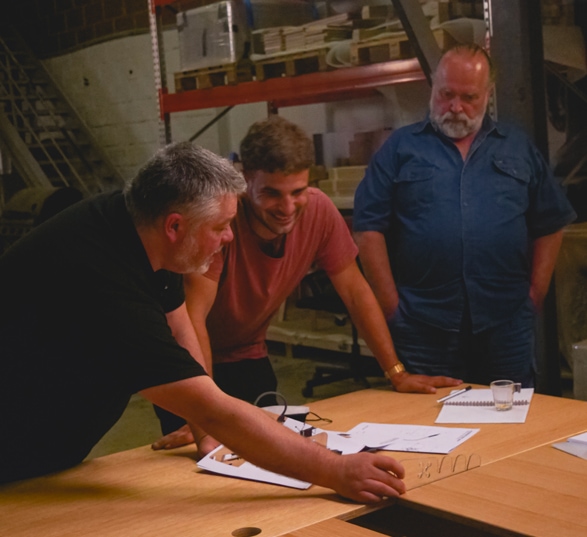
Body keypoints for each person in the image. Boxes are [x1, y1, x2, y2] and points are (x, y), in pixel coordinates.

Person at [0, 142, 406, 502]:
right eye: (220, 227)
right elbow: (212, 409)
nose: (229, 237)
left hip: (44, 451)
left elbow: (181, 329)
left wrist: (205, 436)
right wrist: (335, 470)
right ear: (175, 225)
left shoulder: (136, 224)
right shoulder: (104, 281)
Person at [153, 116, 460, 450]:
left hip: (246, 352)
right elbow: (193, 319)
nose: (287, 208)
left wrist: (396, 372)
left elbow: (356, 293)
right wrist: (203, 413)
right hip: (183, 358)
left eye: (297, 192)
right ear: (244, 179)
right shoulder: (222, 221)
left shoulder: (318, 211)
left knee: (267, 454)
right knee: (200, 461)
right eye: (271, 193)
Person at [353, 44, 576, 387]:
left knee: (510, 428)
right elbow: (368, 229)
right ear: (433, 87)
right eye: (446, 94)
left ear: (488, 95)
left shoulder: (517, 148)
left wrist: (535, 292)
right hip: (423, 324)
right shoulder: (400, 149)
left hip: (505, 323)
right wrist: (390, 304)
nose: (455, 107)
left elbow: (550, 222)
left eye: (468, 97)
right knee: (427, 429)